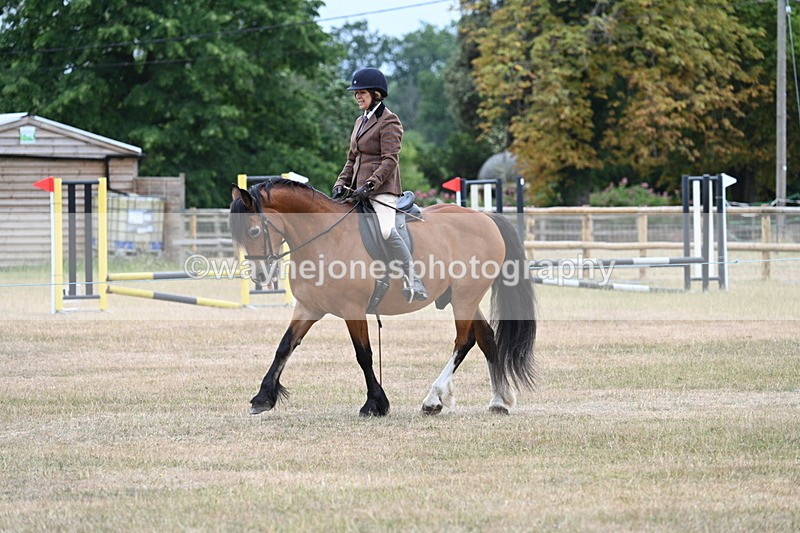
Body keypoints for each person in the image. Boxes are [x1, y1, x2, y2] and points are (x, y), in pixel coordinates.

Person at [332, 67, 428, 302]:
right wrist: (340, 183)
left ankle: (413, 279)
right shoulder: (359, 122)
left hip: (382, 191)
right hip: (357, 191)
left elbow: (389, 160)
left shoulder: (389, 121)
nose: (357, 97)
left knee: (386, 230)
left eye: (361, 92)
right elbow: (352, 159)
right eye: (356, 93)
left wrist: (371, 184)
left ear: (376, 93)